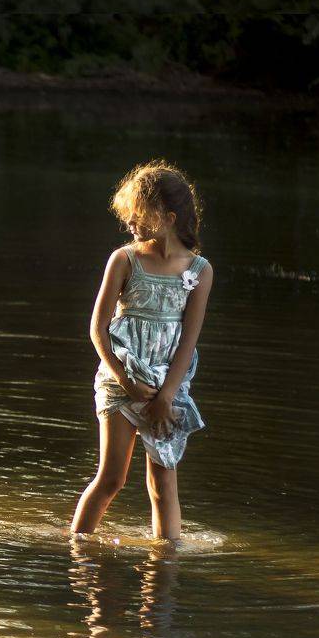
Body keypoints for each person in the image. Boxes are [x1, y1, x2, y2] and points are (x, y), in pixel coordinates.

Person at [71, 161, 213, 542]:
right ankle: (78, 550)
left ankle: (165, 567)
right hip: (121, 380)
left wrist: (165, 396)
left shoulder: (199, 271)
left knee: (162, 484)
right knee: (112, 478)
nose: (130, 222)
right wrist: (125, 381)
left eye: (139, 214)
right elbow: (97, 329)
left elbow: (188, 342)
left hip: (167, 387)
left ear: (168, 218)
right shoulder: (124, 259)